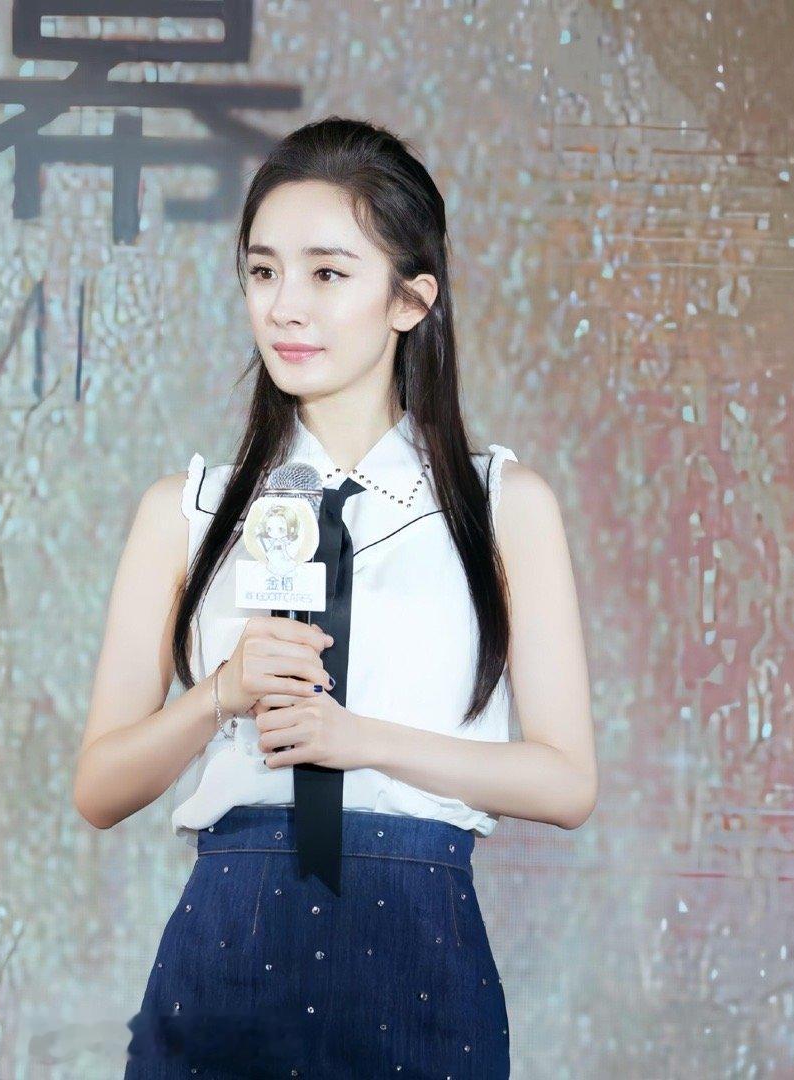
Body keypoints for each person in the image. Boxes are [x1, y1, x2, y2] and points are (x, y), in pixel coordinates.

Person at [73, 116, 597, 1079]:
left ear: (409, 298)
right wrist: (220, 695)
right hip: (226, 950)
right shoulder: (186, 510)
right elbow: (99, 788)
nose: (285, 307)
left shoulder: (501, 506)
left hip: (420, 954)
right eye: (262, 271)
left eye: (326, 273)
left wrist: (364, 741)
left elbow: (565, 783)